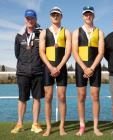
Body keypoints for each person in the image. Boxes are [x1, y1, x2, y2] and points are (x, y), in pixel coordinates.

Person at [72, 6, 104, 136]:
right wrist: (84, 67)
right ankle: (82, 126)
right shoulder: (76, 32)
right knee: (81, 97)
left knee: (95, 96)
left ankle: (96, 127)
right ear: (82, 16)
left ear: (93, 16)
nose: (88, 16)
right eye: (86, 14)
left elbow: (101, 52)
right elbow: (75, 51)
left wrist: (91, 68)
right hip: (81, 67)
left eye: (90, 14)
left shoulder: (100, 32)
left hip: (95, 67)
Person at [39, 6, 71, 136]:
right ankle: (48, 127)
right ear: (50, 16)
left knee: (62, 97)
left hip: (61, 68)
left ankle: (62, 127)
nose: (55, 16)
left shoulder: (66, 32)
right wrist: (51, 67)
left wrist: (59, 66)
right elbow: (41, 51)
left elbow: (68, 52)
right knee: (48, 97)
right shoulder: (44, 32)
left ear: (61, 16)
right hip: (48, 68)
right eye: (53, 14)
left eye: (57, 14)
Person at [11, 9, 44, 134]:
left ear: (35, 19)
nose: (29, 20)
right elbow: (17, 53)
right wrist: (24, 64)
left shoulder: (41, 33)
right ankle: (19, 123)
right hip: (23, 72)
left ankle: (35, 124)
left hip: (38, 71)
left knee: (37, 98)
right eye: (27, 18)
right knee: (22, 98)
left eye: (32, 18)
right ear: (25, 19)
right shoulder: (19, 35)